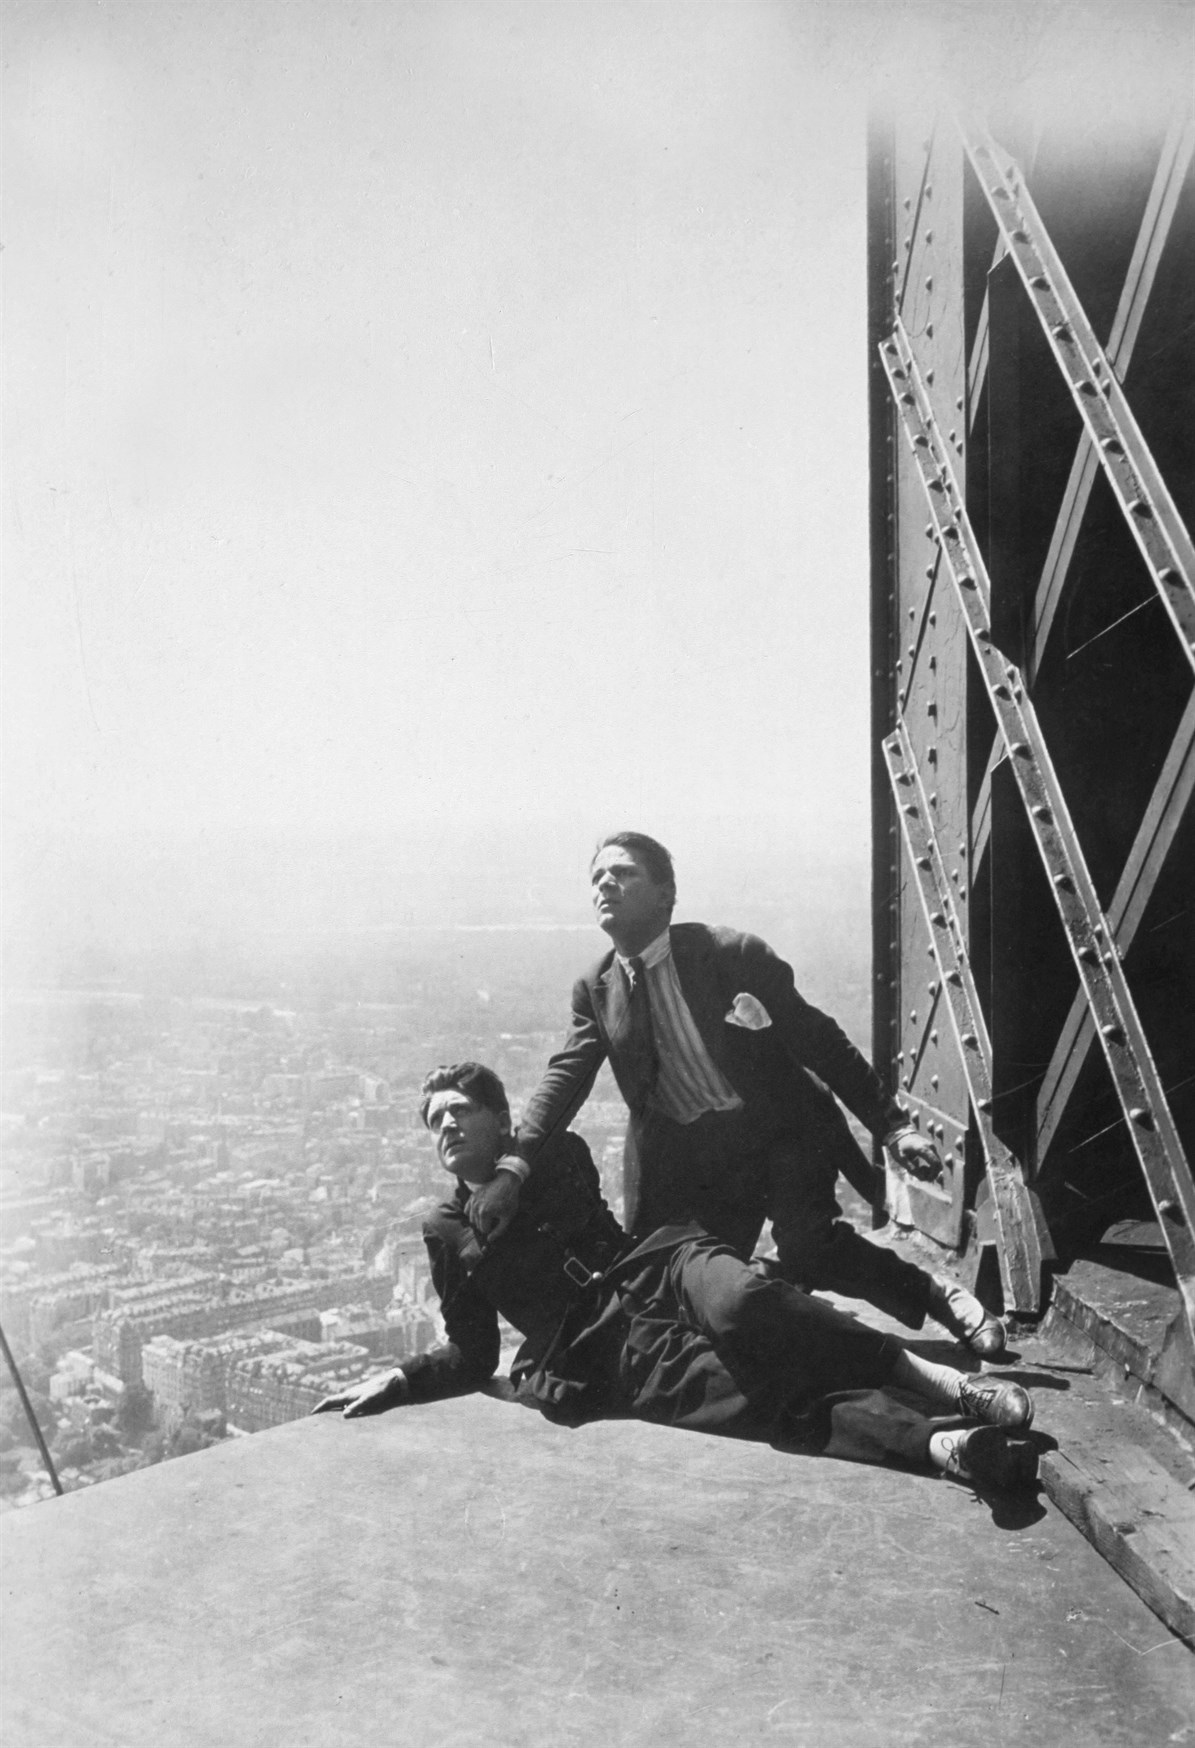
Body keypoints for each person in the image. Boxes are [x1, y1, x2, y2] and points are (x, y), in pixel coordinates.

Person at [313, 1063, 1039, 1491]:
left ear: (502, 1122)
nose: (443, 1128)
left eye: (459, 1112)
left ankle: (942, 1382)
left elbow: (543, 1141)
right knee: (746, 1398)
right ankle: (940, 1445)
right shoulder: (443, 1230)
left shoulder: (554, 1155)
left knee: (744, 1304)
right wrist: (402, 1380)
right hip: (595, 1344)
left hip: (657, 1264)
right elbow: (472, 1350)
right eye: (433, 1121)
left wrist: (506, 1174)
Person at [465, 832, 1005, 1356]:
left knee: (810, 1245)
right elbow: (565, 1078)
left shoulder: (729, 953)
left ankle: (940, 1298)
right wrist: (514, 1168)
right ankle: (784, 1302)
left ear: (665, 894)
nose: (606, 884)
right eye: (597, 877)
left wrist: (893, 1126)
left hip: (781, 1132)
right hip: (694, 1159)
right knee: (683, 1281)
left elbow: (819, 1040)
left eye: (624, 872)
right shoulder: (596, 987)